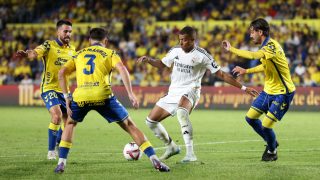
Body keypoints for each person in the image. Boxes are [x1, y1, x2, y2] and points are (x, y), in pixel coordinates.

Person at [137, 26, 259, 163]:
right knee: (151, 121)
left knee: (182, 113)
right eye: (180, 40)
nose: (181, 43)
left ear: (192, 40)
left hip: (191, 91)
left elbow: (222, 74)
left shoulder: (202, 55)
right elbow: (161, 64)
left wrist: (244, 88)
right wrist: (149, 60)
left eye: (184, 40)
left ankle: (190, 154)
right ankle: (171, 147)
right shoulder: (175, 50)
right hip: (173, 92)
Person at [55, 28, 170, 173]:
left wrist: (66, 98)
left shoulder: (78, 54)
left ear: (89, 41)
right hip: (103, 96)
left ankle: (61, 163)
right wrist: (130, 94)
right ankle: (155, 160)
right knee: (129, 125)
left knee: (70, 123)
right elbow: (122, 69)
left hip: (81, 96)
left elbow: (61, 73)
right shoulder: (110, 53)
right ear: (105, 41)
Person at [222, 18, 296, 161]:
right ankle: (271, 141)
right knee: (250, 118)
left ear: (260, 32)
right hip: (268, 91)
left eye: (252, 32)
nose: (250, 35)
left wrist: (231, 49)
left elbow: (253, 55)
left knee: (267, 125)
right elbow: (264, 66)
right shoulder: (266, 47)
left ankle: (272, 151)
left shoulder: (271, 46)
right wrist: (246, 71)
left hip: (283, 93)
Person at [16, 20, 76, 160]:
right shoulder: (49, 45)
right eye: (65, 31)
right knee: (56, 116)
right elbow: (35, 53)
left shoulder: (73, 50)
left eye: (70, 32)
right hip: (49, 88)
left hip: (64, 90)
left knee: (70, 121)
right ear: (58, 32)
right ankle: (51, 152)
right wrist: (27, 54)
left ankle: (57, 141)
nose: (68, 34)